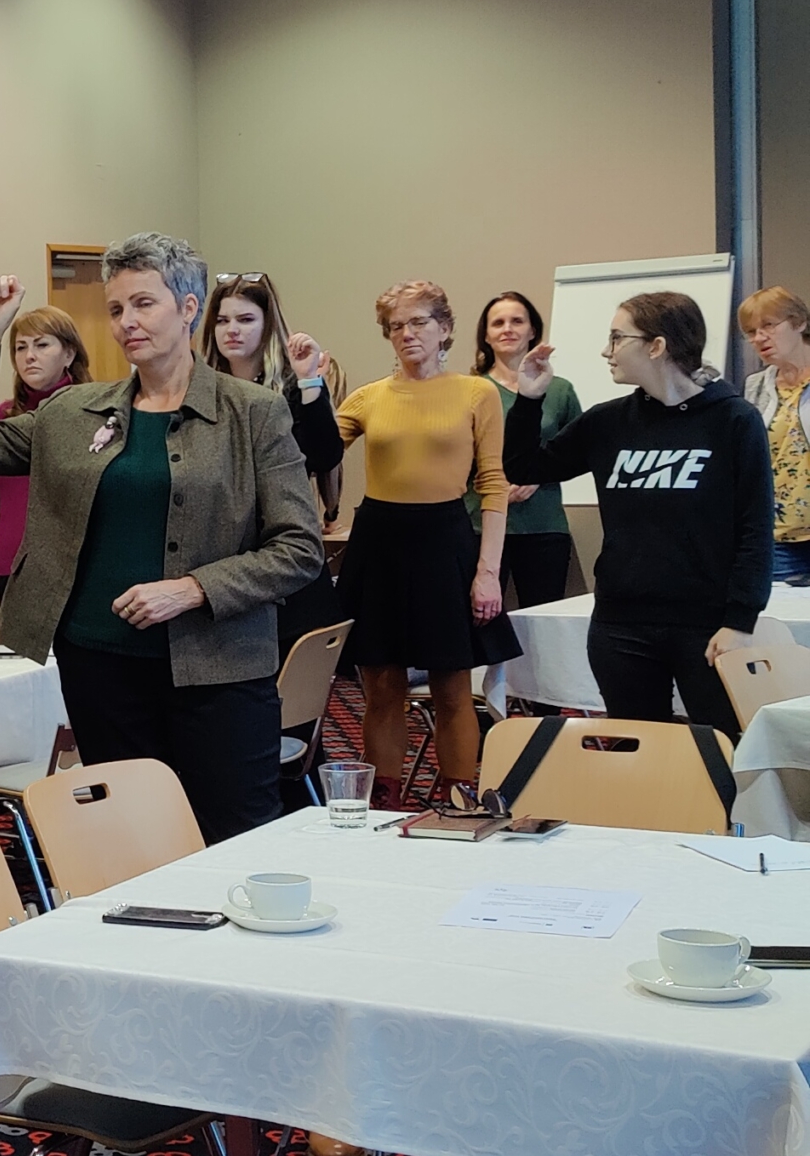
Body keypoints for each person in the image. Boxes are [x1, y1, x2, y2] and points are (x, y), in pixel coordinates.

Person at [0, 235, 323, 844]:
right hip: (100, 669)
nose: (126, 322)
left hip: (218, 672)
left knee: (235, 835)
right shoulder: (74, 412)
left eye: (144, 304)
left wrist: (193, 589)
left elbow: (299, 547)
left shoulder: (252, 412)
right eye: (116, 309)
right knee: (131, 840)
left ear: (189, 308)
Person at [505, 290, 773, 738]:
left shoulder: (733, 420)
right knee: (638, 751)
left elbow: (755, 528)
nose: (606, 350)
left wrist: (739, 622)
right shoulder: (609, 422)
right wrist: (529, 400)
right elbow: (524, 469)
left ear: (657, 346)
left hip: (707, 625)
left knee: (720, 750)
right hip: (620, 624)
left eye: (617, 338)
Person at [333, 280, 519, 807]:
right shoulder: (367, 397)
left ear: (445, 329)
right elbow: (311, 452)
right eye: (396, 326)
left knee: (452, 687)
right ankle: (383, 801)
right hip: (378, 543)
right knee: (381, 688)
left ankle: (460, 798)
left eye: (418, 322)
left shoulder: (477, 393)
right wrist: (307, 387)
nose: (407, 333)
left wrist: (488, 572)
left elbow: (493, 484)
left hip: (445, 542)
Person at [201, 269, 346, 653]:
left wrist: (310, 381)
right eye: (222, 320)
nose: (232, 330)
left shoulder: (294, 387)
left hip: (284, 555)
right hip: (222, 558)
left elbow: (325, 455)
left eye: (246, 319)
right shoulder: (199, 391)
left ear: (267, 325)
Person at [0, 306, 86, 595]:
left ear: (69, 354)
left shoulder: (93, 412)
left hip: (77, 565)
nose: (29, 356)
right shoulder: (4, 416)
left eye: (41, 345)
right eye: (21, 347)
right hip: (12, 563)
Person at [473, 293, 582, 613]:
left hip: (543, 525)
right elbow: (454, 454)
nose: (507, 328)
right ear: (486, 335)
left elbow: (577, 451)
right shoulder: (471, 390)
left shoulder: (559, 389)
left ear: (532, 330)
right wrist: (495, 488)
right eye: (498, 323)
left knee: (543, 617)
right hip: (479, 523)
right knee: (478, 621)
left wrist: (537, 475)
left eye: (517, 321)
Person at [743, 285, 810, 588]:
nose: (759, 338)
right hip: (778, 534)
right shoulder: (755, 386)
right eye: (751, 332)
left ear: (799, 322)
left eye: (769, 325)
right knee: (779, 614)